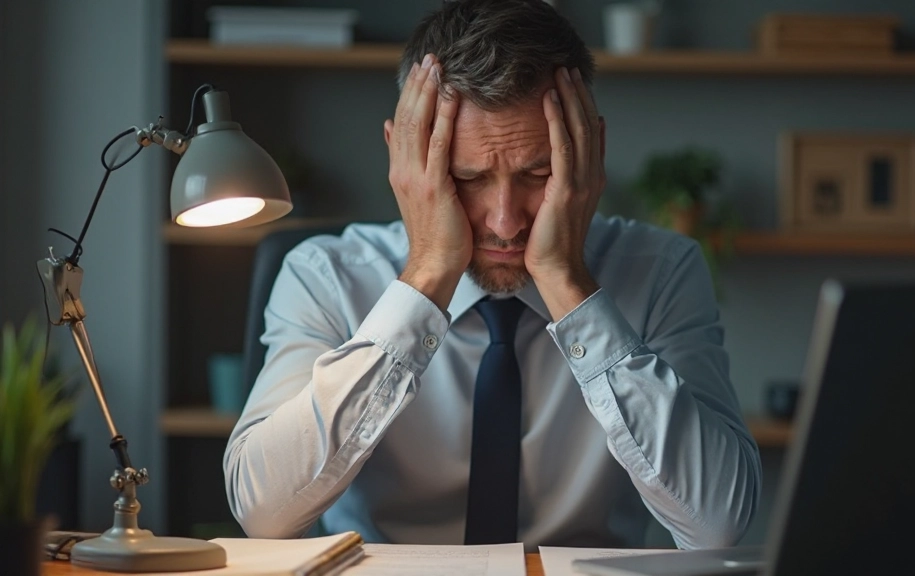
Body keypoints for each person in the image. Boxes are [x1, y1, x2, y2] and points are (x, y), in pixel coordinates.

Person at [224, 0, 760, 551]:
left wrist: (568, 283)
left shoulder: (664, 272)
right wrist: (427, 275)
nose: (506, 221)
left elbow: (717, 524)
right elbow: (264, 514)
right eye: (467, 177)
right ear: (402, 160)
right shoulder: (325, 275)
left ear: (590, 156)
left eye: (538, 173)